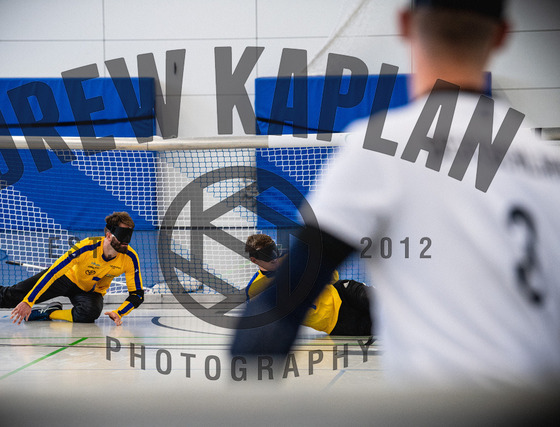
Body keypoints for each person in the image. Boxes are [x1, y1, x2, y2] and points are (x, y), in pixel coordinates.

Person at [232, 0, 560, 389]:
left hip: (439, 401)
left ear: (405, 25)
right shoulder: (549, 163)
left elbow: (283, 306)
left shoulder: (380, 147)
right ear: (504, 34)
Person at [0, 212, 144, 326]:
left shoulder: (129, 258)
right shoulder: (85, 247)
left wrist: (119, 312)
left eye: (128, 237)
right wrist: (28, 301)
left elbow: (137, 295)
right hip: (66, 279)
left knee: (89, 314)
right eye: (121, 237)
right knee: (10, 296)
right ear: (108, 235)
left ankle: (49, 313)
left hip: (90, 291)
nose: (125, 243)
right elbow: (52, 272)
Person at [244, 234, 372, 336]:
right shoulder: (255, 290)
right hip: (334, 322)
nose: (274, 258)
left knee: (378, 300)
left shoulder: (291, 257)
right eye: (266, 255)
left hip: (341, 291)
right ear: (254, 260)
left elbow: (328, 273)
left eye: (274, 250)